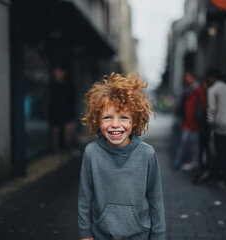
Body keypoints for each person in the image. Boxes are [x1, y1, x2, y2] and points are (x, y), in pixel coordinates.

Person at [78, 73, 165, 240]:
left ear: (134, 121)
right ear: (97, 121)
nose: (115, 124)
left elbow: (156, 201)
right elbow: (85, 197)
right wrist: (85, 232)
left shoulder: (147, 154)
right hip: (101, 234)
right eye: (107, 117)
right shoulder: (91, 152)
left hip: (139, 235)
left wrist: (158, 236)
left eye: (124, 117)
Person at [172, 71, 206, 171]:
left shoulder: (197, 90)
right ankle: (179, 161)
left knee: (194, 145)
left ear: (193, 78)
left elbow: (203, 106)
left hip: (195, 123)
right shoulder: (187, 90)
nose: (186, 79)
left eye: (188, 77)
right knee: (183, 143)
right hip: (187, 122)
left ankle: (195, 162)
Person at [44, 65, 78, 160]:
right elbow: (47, 100)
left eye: (58, 72)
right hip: (55, 112)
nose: (57, 75)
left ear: (63, 73)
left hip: (66, 111)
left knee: (68, 131)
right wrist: (46, 112)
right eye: (55, 73)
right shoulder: (52, 85)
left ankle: (69, 148)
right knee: (55, 131)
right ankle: (57, 152)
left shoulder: (68, 84)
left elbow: (72, 100)